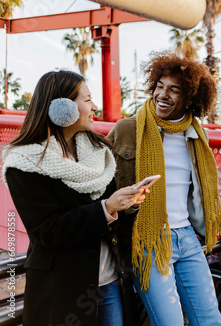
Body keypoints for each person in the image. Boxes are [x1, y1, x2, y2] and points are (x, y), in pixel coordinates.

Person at [1, 70, 147, 326]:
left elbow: (110, 212)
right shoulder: (23, 163)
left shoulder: (98, 150)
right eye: (88, 99)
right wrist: (106, 208)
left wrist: (127, 205)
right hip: (62, 289)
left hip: (109, 280)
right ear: (62, 108)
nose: (95, 107)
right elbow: (49, 230)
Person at [107, 51, 221, 326]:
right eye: (159, 86)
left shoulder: (197, 135)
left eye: (174, 90)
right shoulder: (127, 129)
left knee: (210, 321)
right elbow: (100, 181)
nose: (163, 95)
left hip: (187, 239)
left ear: (191, 98)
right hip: (148, 241)